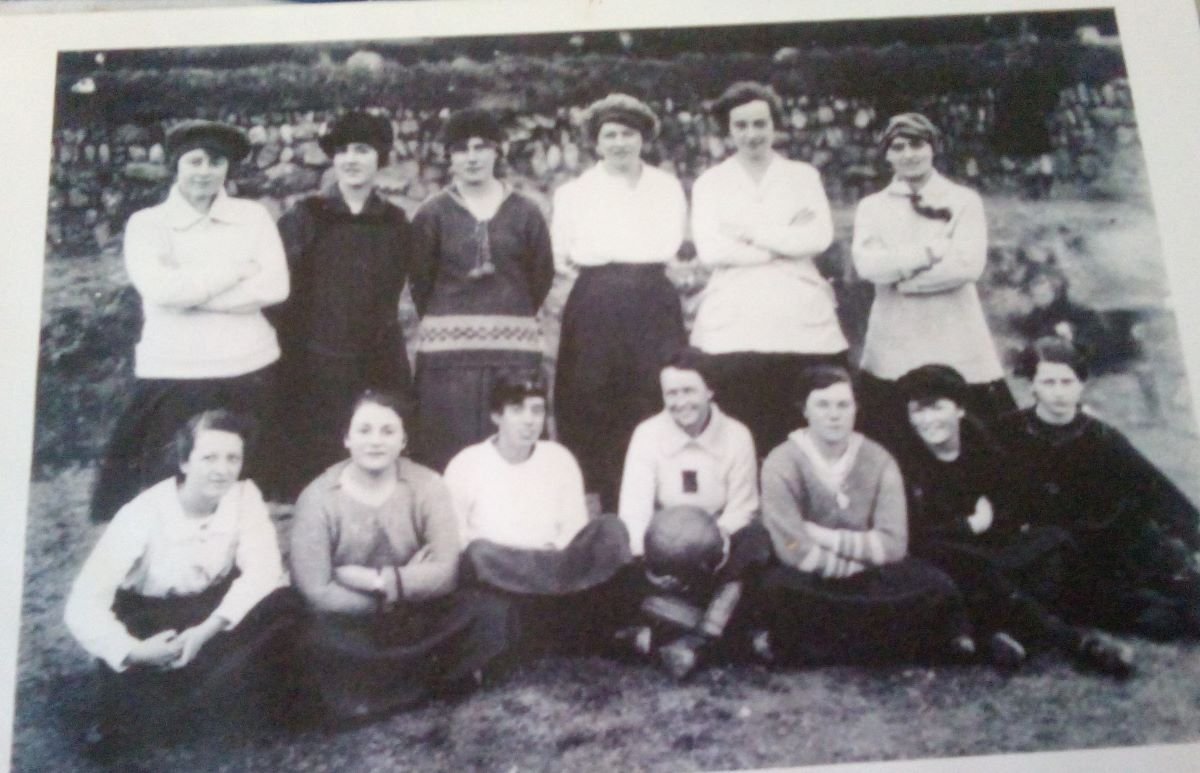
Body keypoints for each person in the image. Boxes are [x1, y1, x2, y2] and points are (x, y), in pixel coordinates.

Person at [64, 410, 297, 760]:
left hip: (211, 614)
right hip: (151, 620)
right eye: (209, 457)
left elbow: (263, 569)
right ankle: (183, 699)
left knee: (285, 606)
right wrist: (137, 651)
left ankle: (195, 698)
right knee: (129, 720)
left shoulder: (244, 496)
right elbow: (81, 604)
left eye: (232, 458)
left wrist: (205, 631)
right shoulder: (141, 514)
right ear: (185, 462)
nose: (222, 469)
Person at [91, 120, 289, 521]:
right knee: (170, 486)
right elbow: (162, 291)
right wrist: (236, 269)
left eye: (215, 161)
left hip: (247, 363)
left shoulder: (252, 217)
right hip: (174, 367)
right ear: (175, 166)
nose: (204, 171)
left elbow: (275, 287)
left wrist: (191, 295)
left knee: (245, 488)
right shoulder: (147, 224)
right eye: (194, 160)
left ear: (227, 168)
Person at [896, 364, 1134, 675]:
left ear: (960, 409)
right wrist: (968, 526)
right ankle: (1075, 641)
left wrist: (994, 523)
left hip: (994, 551)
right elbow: (912, 532)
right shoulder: (905, 461)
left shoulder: (982, 445)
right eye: (918, 411)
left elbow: (1012, 504)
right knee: (969, 564)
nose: (928, 420)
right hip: (945, 556)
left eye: (937, 408)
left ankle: (998, 632)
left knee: (1052, 540)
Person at [289, 390, 512, 721]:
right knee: (310, 641)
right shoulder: (318, 496)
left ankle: (384, 687)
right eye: (364, 430)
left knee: (489, 613)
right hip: (352, 619)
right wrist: (387, 600)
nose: (375, 441)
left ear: (403, 440)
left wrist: (380, 581)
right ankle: (428, 679)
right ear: (346, 438)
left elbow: (447, 569)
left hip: (417, 612)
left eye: (387, 431)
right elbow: (316, 589)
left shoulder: (427, 485)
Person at [758, 365, 971, 665]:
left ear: (856, 408)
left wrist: (823, 536)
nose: (834, 414)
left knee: (936, 585)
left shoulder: (879, 458)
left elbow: (894, 544)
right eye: (823, 405)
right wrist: (845, 566)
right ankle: (886, 642)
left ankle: (826, 644)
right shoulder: (782, 462)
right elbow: (791, 546)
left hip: (870, 573)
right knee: (776, 587)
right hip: (813, 576)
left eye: (843, 405)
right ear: (804, 409)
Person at [995, 336, 1200, 640]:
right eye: (1048, 382)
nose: (1059, 393)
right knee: (1149, 614)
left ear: (1081, 385)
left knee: (1179, 590)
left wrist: (1194, 534)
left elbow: (1154, 488)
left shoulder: (1102, 436)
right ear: (1031, 385)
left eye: (1067, 382)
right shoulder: (1006, 432)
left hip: (1107, 541)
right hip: (1050, 550)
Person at [690, 81, 848, 456]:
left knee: (801, 419)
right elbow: (711, 250)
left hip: (800, 321)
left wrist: (747, 233)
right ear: (728, 130)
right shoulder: (710, 183)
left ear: (775, 126)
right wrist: (783, 241)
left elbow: (818, 238)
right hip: (734, 324)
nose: (752, 134)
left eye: (760, 124)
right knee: (740, 424)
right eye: (741, 125)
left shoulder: (802, 175)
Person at [553, 93, 689, 511]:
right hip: (596, 301)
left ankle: (659, 499)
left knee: (653, 389)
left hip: (652, 299)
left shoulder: (665, 187)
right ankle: (608, 501)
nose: (618, 143)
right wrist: (605, 257)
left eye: (627, 134)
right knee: (594, 395)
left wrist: (613, 248)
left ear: (642, 139)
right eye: (609, 135)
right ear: (596, 143)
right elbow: (565, 250)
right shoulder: (575, 192)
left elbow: (666, 242)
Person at [851, 112, 1013, 451]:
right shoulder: (872, 207)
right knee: (890, 438)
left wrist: (905, 282)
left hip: (953, 330)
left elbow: (966, 265)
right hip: (895, 336)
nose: (908, 154)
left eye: (917, 144)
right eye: (898, 147)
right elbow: (869, 267)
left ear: (933, 148)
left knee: (978, 438)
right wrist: (925, 255)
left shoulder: (964, 201)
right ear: (887, 154)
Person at [273, 111, 413, 499]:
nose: (351, 159)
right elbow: (280, 291)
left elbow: (397, 289)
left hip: (377, 358)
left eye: (362, 150)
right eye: (343, 151)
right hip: (315, 359)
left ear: (379, 159)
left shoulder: (395, 223)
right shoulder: (306, 217)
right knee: (317, 464)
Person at [443, 371, 631, 655]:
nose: (529, 420)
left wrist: (553, 555)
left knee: (610, 529)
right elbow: (457, 537)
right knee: (479, 554)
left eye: (537, 410)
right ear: (497, 416)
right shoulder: (466, 463)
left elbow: (574, 529)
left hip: (554, 565)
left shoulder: (559, 458)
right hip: (502, 570)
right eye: (517, 410)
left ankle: (549, 618)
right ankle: (560, 621)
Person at [409, 108, 554, 472]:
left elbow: (541, 276)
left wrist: (508, 314)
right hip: (448, 358)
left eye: (480, 147)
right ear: (449, 158)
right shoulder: (432, 213)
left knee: (514, 453)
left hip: (513, 353)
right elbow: (420, 282)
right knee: (447, 453)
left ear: (498, 152)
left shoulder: (526, 212)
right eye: (460, 149)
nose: (471, 158)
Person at [617, 347, 769, 678]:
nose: (680, 402)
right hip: (664, 557)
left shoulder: (737, 435)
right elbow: (634, 510)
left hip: (717, 553)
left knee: (758, 540)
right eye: (671, 393)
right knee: (612, 548)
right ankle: (730, 635)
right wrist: (652, 561)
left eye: (689, 391)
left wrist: (711, 547)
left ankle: (696, 638)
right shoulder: (647, 434)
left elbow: (743, 507)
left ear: (710, 391)